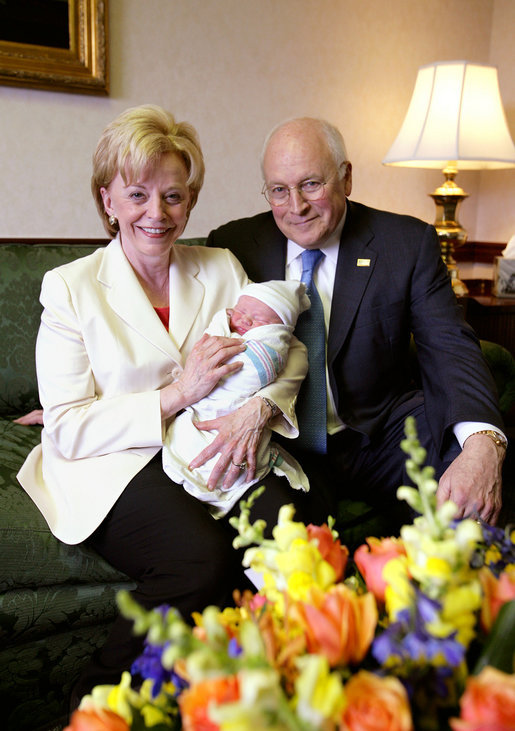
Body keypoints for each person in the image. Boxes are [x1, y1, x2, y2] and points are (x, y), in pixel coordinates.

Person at [16, 105, 309, 707]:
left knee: (294, 535)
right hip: (113, 459)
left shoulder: (221, 267)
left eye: (173, 196)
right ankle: (93, 706)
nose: (157, 213)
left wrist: (260, 412)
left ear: (191, 201)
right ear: (108, 202)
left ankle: (262, 697)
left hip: (209, 444)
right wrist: (179, 394)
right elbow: (69, 429)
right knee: (198, 563)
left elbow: (283, 353)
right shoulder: (70, 287)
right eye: (138, 194)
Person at [207, 116, 507, 527]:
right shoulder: (235, 245)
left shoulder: (404, 243)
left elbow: (449, 344)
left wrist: (482, 444)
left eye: (311, 184)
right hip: (281, 439)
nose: (296, 206)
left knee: (464, 480)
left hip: (380, 431)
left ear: (345, 178)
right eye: (279, 190)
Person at [162, 279, 311, 515]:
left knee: (287, 517)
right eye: (240, 312)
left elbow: (286, 352)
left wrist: (261, 405)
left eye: (259, 319)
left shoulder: (225, 263)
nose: (245, 319)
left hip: (246, 423)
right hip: (157, 427)